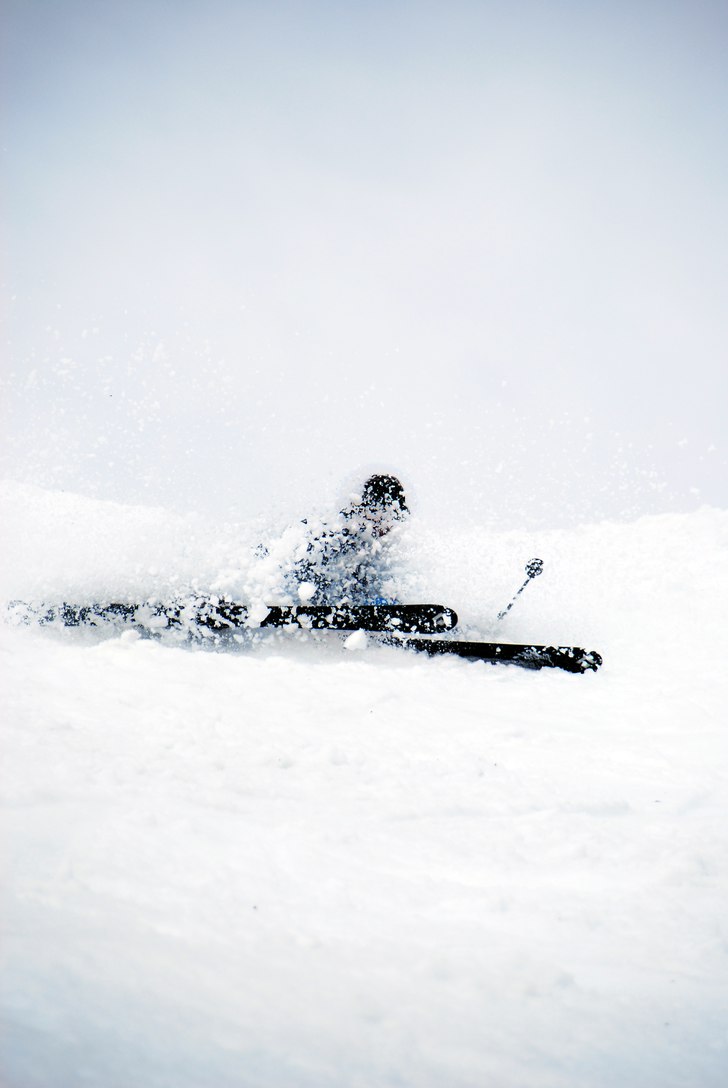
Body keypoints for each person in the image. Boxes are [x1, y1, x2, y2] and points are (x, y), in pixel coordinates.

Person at [276, 474, 410, 607]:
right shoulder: (332, 538)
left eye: (394, 518)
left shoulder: (376, 545)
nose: (389, 526)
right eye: (387, 516)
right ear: (370, 510)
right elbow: (293, 581)